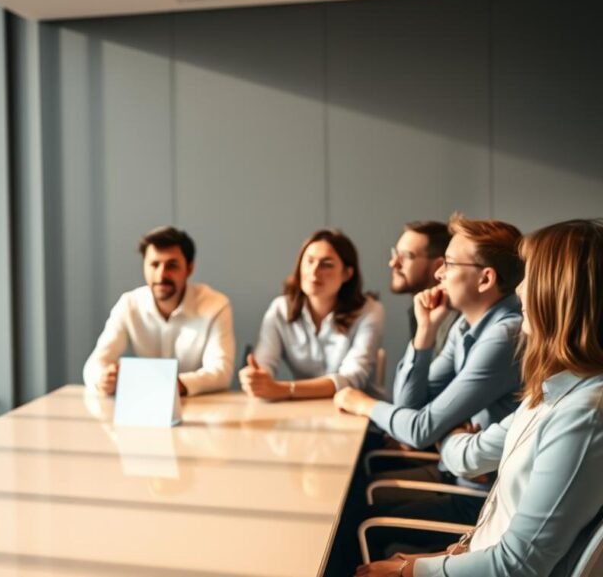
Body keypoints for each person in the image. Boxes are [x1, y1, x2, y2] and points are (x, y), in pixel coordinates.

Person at [356, 218, 603, 577]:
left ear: (561, 293)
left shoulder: (583, 415)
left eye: (530, 277)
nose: (519, 291)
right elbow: (459, 450)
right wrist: (448, 430)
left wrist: (414, 572)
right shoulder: (550, 394)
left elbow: (518, 564)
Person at [83, 226, 235, 396]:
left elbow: (221, 372)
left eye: (172, 265)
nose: (161, 275)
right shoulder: (129, 304)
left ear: (189, 269)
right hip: (144, 406)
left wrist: (175, 384)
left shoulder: (215, 305)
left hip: (201, 407)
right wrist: (102, 379)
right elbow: (94, 364)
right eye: (154, 265)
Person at [240, 229, 384, 401]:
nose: (314, 272)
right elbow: (264, 366)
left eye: (327, 264)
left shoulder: (369, 311)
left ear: (347, 274)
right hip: (305, 410)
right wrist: (255, 380)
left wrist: (285, 389)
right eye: (309, 261)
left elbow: (352, 379)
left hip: (361, 413)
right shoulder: (280, 309)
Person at [389, 221, 459, 356]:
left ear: (439, 266)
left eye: (406, 256)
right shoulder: (420, 310)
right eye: (395, 253)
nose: (393, 263)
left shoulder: (455, 322)